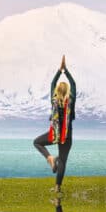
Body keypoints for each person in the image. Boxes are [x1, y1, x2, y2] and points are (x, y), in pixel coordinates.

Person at [33, 55, 76, 194]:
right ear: (68, 91)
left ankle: (49, 157)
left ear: (57, 91)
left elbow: (52, 84)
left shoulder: (54, 100)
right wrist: (66, 71)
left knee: (37, 142)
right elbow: (74, 84)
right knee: (62, 161)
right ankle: (57, 188)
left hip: (55, 134)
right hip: (67, 136)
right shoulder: (71, 100)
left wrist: (60, 70)